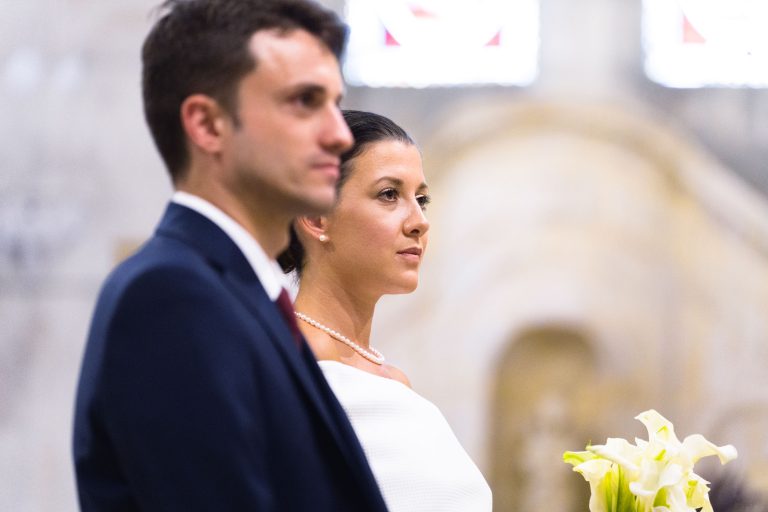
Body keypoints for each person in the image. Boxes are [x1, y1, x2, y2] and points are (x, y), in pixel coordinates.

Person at [72, 1, 389, 510]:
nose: (339, 134)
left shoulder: (244, 294)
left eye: (335, 103)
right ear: (208, 125)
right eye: (305, 101)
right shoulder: (169, 297)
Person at [279, 109, 493, 511]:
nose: (420, 222)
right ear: (316, 216)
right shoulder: (288, 365)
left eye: (421, 199)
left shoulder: (394, 383)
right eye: (389, 194)